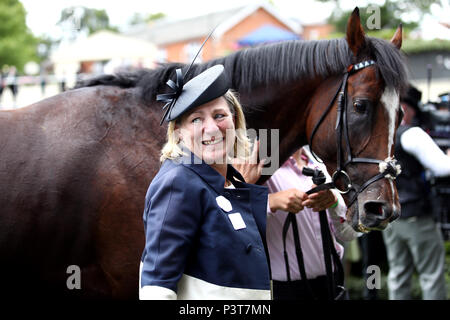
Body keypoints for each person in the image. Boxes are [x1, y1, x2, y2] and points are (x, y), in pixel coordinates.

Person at [139, 64, 271, 300]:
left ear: (235, 119)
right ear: (178, 131)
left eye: (219, 115)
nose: (211, 128)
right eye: (196, 119)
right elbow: (156, 290)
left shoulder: (224, 181)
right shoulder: (178, 182)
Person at [236, 146, 359, 300]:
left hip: (333, 283)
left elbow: (350, 233)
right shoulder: (254, 163)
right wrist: (270, 202)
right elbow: (230, 224)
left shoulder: (322, 161)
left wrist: (334, 202)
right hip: (285, 290)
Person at [382, 84, 450, 300]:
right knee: (431, 275)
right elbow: (443, 168)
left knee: (398, 274)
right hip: (417, 218)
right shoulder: (411, 134)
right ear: (405, 108)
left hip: (391, 217)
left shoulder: (379, 134)